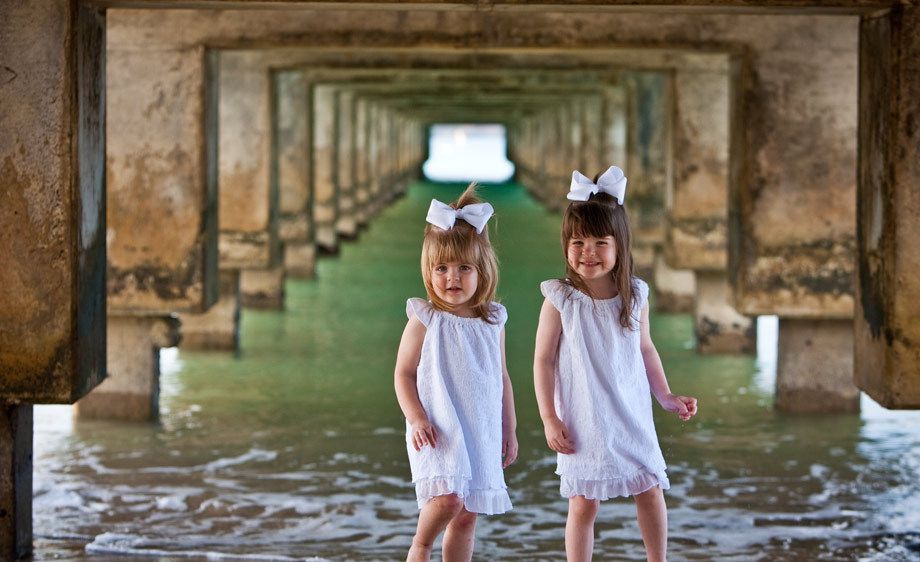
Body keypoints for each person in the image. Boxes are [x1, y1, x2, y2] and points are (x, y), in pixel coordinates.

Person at [533, 166, 698, 562]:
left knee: (649, 488)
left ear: (619, 245)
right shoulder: (561, 298)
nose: (588, 252)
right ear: (566, 246)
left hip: (630, 410)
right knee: (583, 503)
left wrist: (666, 396)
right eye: (578, 242)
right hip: (581, 413)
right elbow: (543, 360)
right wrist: (549, 419)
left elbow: (646, 351)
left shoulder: (635, 295)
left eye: (599, 242)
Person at [394, 184, 518, 562]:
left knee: (467, 516)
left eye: (465, 268)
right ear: (429, 273)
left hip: (480, 426)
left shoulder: (492, 320)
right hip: (438, 426)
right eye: (442, 268)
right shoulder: (425, 318)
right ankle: (421, 545)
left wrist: (508, 429)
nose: (453, 277)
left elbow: (502, 379)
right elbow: (403, 374)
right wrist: (415, 418)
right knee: (448, 498)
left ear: (482, 272)